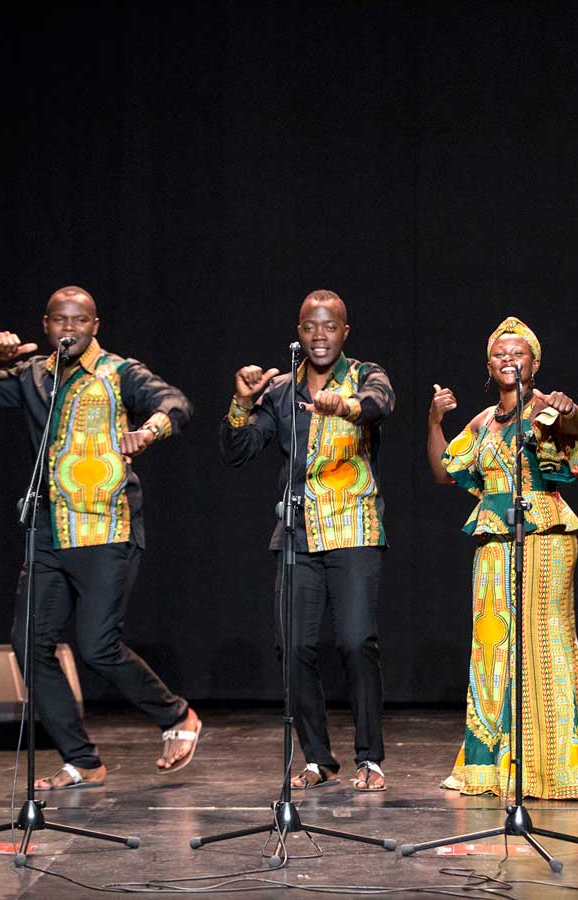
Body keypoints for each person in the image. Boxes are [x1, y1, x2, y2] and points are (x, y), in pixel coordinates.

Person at [0, 285, 200, 790]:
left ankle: (177, 717)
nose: (69, 329)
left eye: (79, 320)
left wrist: (148, 431)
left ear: (94, 325)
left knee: (98, 647)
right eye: (60, 321)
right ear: (46, 325)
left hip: (106, 525)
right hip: (48, 527)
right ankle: (81, 759)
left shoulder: (119, 372)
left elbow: (175, 402)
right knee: (28, 644)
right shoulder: (31, 376)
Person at [426, 316, 578, 800]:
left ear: (535, 362)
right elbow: (445, 473)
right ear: (487, 366)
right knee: (494, 651)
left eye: (520, 353)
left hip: (546, 538)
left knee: (546, 642)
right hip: (493, 545)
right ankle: (492, 768)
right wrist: (434, 421)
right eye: (499, 354)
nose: (509, 359)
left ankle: (554, 767)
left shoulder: (550, 409)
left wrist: (570, 412)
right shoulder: (481, 423)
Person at [220, 290, 394, 792]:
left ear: (345, 332)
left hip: (354, 527)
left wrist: (347, 404)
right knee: (293, 647)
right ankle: (318, 759)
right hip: (296, 530)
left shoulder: (366, 374)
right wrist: (241, 403)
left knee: (357, 642)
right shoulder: (279, 391)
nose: (320, 336)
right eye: (310, 327)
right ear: (298, 332)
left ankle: (371, 758)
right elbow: (239, 451)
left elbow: (380, 405)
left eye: (330, 326)